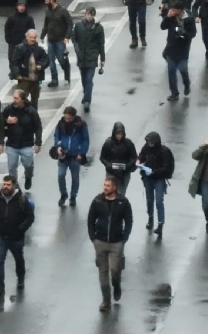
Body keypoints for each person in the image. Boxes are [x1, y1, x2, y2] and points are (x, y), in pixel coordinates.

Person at [0, 175, 35, 298]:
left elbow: (30, 217)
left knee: (18, 259)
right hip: (1, 236)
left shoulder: (21, 200)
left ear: (14, 185)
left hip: (16, 238)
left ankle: (21, 277)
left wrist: (20, 230)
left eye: (8, 185)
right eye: (4, 184)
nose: (5, 187)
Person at [87, 176, 134, 312]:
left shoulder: (123, 202)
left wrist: (124, 238)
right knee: (102, 271)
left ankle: (117, 284)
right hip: (100, 242)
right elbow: (90, 220)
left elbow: (129, 221)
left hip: (116, 243)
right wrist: (93, 238)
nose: (105, 188)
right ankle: (106, 300)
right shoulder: (97, 201)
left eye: (108, 185)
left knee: (115, 269)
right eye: (104, 185)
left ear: (115, 188)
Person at [137, 132, 174, 237]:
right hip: (148, 178)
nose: (150, 144)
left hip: (159, 179)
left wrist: (154, 171)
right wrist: (139, 161)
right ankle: (150, 217)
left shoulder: (164, 151)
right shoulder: (146, 148)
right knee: (149, 199)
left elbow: (166, 167)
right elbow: (141, 156)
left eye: (151, 142)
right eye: (148, 142)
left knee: (159, 201)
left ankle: (160, 224)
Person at [2, 90, 42, 189]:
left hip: (26, 144)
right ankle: (15, 187)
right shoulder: (9, 109)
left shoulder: (31, 111)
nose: (14, 100)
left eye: (16, 98)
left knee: (28, 166)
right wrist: (7, 121)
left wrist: (38, 142)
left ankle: (28, 177)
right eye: (14, 98)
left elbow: (38, 127)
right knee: (12, 168)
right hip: (12, 143)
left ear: (23, 99)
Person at [51, 106, 89, 207]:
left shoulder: (81, 125)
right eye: (65, 118)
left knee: (75, 178)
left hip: (75, 155)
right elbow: (57, 136)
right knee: (61, 175)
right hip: (63, 155)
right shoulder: (61, 124)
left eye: (69, 118)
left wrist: (82, 153)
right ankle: (63, 194)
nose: (67, 120)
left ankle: (73, 196)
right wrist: (58, 147)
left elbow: (85, 139)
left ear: (73, 116)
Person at [73, 8, 106, 112]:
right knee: (83, 78)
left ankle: (87, 100)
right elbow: (74, 38)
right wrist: (77, 49)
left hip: (92, 56)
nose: (89, 16)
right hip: (81, 56)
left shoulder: (98, 28)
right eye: (87, 14)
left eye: (91, 15)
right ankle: (85, 93)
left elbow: (101, 44)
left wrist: (102, 58)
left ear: (94, 15)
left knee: (89, 79)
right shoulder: (78, 25)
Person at [161, 6, 196, 101]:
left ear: (180, 10)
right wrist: (167, 17)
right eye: (171, 10)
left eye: (174, 10)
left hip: (183, 49)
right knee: (171, 71)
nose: (172, 11)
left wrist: (183, 33)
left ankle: (187, 84)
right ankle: (174, 93)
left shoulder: (189, 19)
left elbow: (193, 34)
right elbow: (163, 27)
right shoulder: (171, 17)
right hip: (171, 48)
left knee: (182, 69)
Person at [41, 0, 73, 87]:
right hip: (50, 40)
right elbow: (46, 24)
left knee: (61, 59)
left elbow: (70, 24)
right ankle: (54, 79)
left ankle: (67, 75)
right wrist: (43, 35)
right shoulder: (48, 11)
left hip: (60, 40)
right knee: (51, 61)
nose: (45, 3)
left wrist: (67, 36)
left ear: (52, 0)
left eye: (47, 1)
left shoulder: (63, 11)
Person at [10, 29, 47, 108]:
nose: (33, 39)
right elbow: (14, 62)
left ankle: (33, 115)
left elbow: (46, 59)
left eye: (34, 37)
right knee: (22, 99)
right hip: (24, 78)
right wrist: (17, 74)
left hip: (35, 79)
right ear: (27, 37)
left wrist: (41, 65)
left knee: (35, 99)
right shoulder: (19, 48)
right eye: (31, 37)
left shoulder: (39, 50)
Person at [99, 122, 138, 196]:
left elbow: (134, 157)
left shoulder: (128, 143)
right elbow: (102, 157)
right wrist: (108, 165)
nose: (119, 136)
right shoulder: (108, 143)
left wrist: (127, 166)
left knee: (121, 194)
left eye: (121, 134)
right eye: (117, 134)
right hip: (111, 172)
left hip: (124, 173)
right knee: (110, 193)